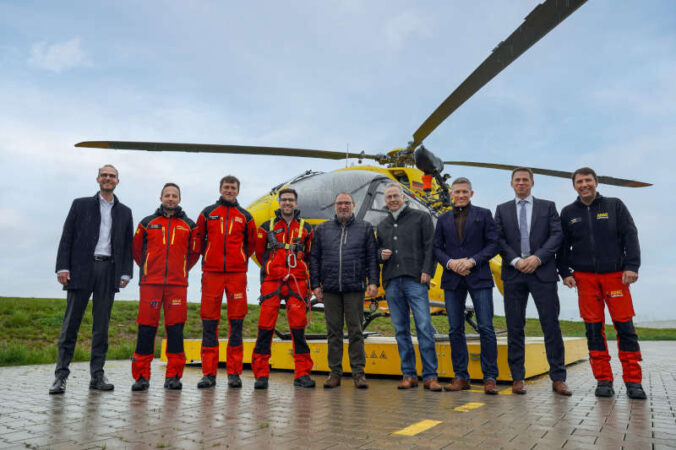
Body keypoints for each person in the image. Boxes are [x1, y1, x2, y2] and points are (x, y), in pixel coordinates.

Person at [558, 167, 646, 399]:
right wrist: (565, 272)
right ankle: (603, 380)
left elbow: (630, 235)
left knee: (625, 328)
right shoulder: (568, 212)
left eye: (588, 180)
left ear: (596, 182)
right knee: (593, 330)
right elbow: (562, 247)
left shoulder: (614, 205)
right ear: (574, 185)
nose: (584, 184)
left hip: (615, 275)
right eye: (579, 181)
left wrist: (632, 266)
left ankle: (633, 381)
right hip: (584, 278)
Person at [51, 164, 133, 394]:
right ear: (98, 179)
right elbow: (67, 236)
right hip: (81, 269)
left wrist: (126, 272)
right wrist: (62, 268)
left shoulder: (125, 211)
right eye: (104, 175)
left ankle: (97, 375)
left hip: (108, 270)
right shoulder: (80, 204)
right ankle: (60, 376)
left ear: (118, 181)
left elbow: (128, 244)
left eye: (112, 176)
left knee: (101, 327)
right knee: (70, 325)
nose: (108, 178)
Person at [494, 167, 571, 396]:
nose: (521, 183)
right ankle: (518, 378)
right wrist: (516, 260)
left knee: (551, 326)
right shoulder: (502, 209)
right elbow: (498, 239)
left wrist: (538, 258)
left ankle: (558, 378)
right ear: (511, 184)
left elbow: (557, 236)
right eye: (517, 180)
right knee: (515, 328)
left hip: (543, 273)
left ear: (532, 183)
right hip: (514, 274)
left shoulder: (548, 207)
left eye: (525, 180)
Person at [130, 183, 200, 391]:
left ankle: (174, 376)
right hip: (150, 284)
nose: (171, 198)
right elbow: (136, 251)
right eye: (167, 195)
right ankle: (141, 376)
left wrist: (182, 268)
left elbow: (194, 253)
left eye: (174, 195)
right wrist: (148, 268)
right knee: (146, 328)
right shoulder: (146, 223)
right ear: (161, 197)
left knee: (175, 329)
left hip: (177, 285)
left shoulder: (190, 225)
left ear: (179, 199)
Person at [434, 177, 500, 394]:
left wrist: (472, 261)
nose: (460, 195)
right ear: (451, 194)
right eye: (457, 192)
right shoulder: (442, 219)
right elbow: (436, 248)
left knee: (486, 327)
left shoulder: (484, 214)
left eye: (464, 192)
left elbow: (493, 244)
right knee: (455, 329)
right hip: (452, 278)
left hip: (478, 275)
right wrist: (450, 263)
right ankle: (461, 376)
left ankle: (490, 377)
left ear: (471, 194)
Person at [310, 192, 379, 389]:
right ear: (334, 206)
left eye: (347, 203)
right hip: (330, 288)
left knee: (356, 331)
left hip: (354, 287)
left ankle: (359, 373)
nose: (343, 207)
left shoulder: (365, 228)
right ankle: (335, 373)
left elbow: (371, 259)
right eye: (340, 203)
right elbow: (314, 258)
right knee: (333, 332)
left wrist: (373, 281)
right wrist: (315, 285)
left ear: (353, 205)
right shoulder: (322, 229)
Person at [377, 183, 442, 391]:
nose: (393, 200)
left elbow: (431, 246)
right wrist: (380, 255)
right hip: (392, 282)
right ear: (385, 201)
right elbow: (376, 251)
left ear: (404, 197)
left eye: (396, 196)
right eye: (389, 197)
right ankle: (409, 374)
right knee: (400, 330)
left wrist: (427, 271)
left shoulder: (421, 218)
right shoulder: (383, 224)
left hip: (415, 280)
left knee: (423, 327)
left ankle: (430, 376)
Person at [196, 175, 257, 389]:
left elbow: (252, 243)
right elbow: (198, 240)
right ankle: (208, 374)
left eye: (233, 187)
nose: (229, 190)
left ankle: (234, 373)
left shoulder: (246, 216)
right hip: (211, 274)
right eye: (226, 187)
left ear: (238, 191)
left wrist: (239, 258)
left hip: (236, 274)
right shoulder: (207, 213)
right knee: (209, 323)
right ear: (220, 188)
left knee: (236, 323)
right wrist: (209, 257)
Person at [251, 188, 315, 389]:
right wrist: (273, 267)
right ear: (279, 202)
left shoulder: (307, 228)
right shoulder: (266, 227)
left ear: (296, 203)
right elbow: (261, 253)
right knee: (265, 328)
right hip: (273, 280)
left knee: (298, 330)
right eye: (284, 200)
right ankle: (261, 375)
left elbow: (311, 255)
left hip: (297, 281)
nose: (287, 203)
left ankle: (302, 374)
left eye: (291, 200)